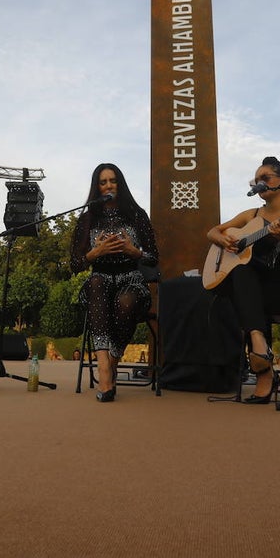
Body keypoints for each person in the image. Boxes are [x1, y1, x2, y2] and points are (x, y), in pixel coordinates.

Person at [205, 156, 280, 404]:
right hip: (257, 290)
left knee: (243, 293)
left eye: (265, 178)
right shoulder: (251, 215)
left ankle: (262, 366)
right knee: (242, 273)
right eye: (256, 180)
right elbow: (212, 231)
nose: (259, 183)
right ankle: (260, 349)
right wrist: (222, 240)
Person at [70, 163, 159, 403]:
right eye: (103, 182)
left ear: (120, 183)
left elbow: (153, 259)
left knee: (125, 300)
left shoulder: (137, 215)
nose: (108, 185)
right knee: (97, 284)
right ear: (97, 188)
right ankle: (104, 369)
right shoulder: (87, 219)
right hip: (99, 280)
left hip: (132, 280)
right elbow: (75, 265)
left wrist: (134, 251)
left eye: (113, 180)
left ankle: (113, 360)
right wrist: (95, 253)